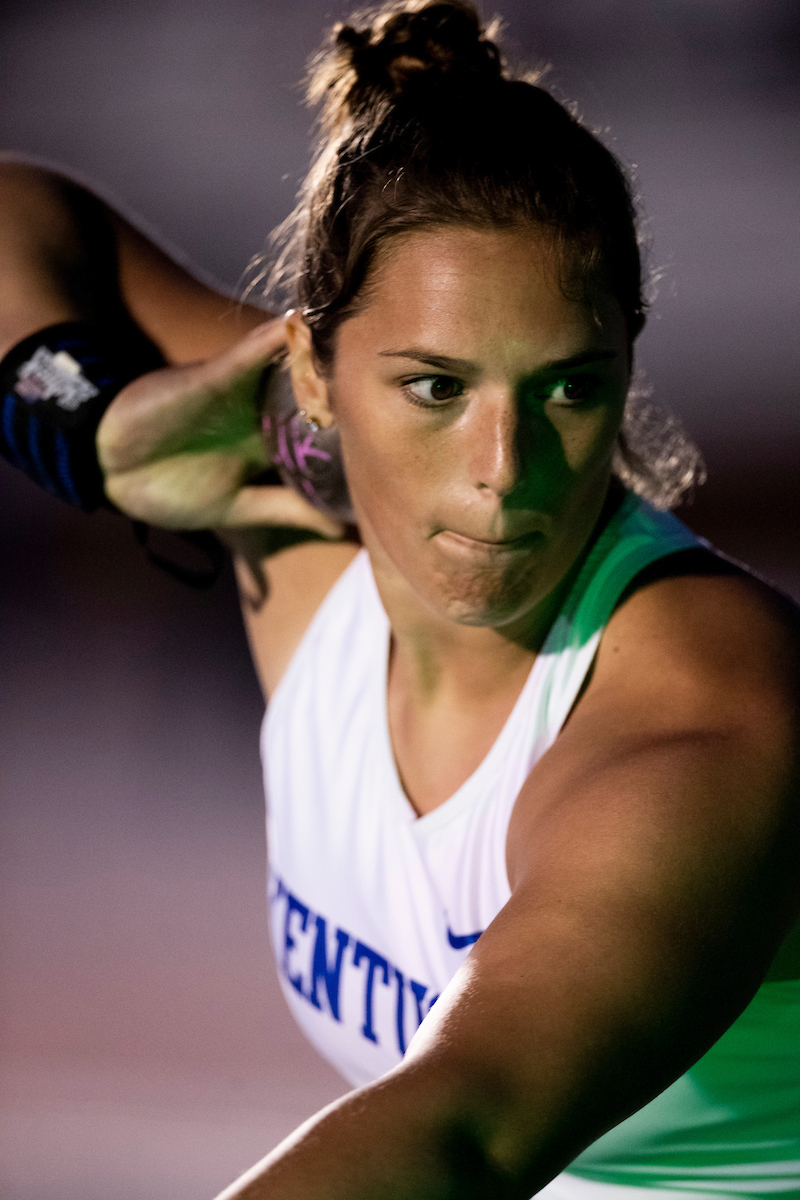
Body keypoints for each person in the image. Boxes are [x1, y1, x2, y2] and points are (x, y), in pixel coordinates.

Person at [1, 3, 799, 1198]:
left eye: (568, 389)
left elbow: (463, 1131)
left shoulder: (702, 722)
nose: (499, 469)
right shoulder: (297, 524)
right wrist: (97, 425)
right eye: (433, 387)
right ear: (309, 371)